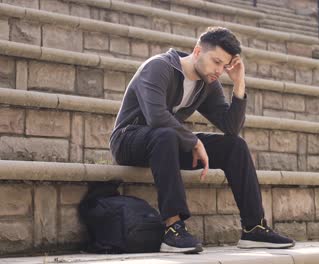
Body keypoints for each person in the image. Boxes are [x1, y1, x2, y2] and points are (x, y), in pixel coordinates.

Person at [109, 26, 294, 253]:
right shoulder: (159, 67)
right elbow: (156, 117)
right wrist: (194, 142)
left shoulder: (207, 84)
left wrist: (238, 83)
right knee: (165, 134)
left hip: (165, 144)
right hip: (129, 139)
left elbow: (230, 127)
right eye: (216, 62)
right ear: (197, 51)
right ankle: (173, 229)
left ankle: (254, 227)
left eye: (224, 65)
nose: (219, 70)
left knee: (234, 146)